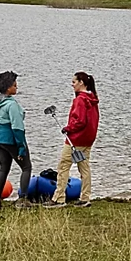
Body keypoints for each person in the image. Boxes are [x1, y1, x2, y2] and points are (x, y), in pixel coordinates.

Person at [46, 71, 99, 208]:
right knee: (84, 167)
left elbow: (80, 121)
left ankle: (59, 198)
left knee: (63, 166)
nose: (72, 84)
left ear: (81, 83)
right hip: (88, 139)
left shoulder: (80, 99)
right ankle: (85, 197)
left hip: (76, 140)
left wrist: (68, 128)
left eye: (74, 82)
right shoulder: (92, 98)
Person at [0, 70, 31, 209]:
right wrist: (21, 146)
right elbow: (17, 127)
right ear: (8, 88)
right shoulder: (12, 105)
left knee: (4, 168)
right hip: (10, 138)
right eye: (14, 85)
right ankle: (23, 199)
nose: (17, 87)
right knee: (26, 167)